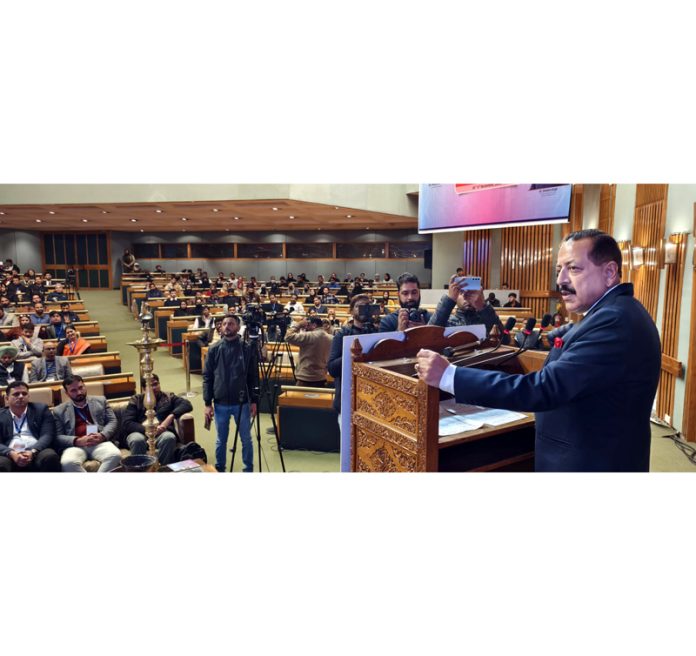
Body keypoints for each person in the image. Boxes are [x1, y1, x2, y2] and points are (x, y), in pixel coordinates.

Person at [415, 229, 662, 472]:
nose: (561, 281)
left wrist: (449, 376)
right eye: (559, 270)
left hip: (591, 462)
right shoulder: (613, 313)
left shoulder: (613, 321)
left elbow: (545, 388)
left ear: (609, 272)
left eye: (574, 269)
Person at [203, 314, 259, 472]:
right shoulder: (214, 349)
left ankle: (248, 469)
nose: (226, 326)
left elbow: (252, 376)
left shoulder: (246, 348)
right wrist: (207, 403)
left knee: (246, 439)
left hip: (242, 402)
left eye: (231, 323)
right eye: (224, 323)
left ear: (237, 327)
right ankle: (220, 469)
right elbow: (207, 378)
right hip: (220, 402)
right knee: (221, 440)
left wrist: (254, 400)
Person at [53, 375, 122, 473]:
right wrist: (77, 440)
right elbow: (58, 436)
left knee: (115, 455)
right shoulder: (59, 410)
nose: (79, 392)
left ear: (85, 386)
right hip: (76, 446)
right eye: (73, 390)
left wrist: (102, 435)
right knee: (67, 463)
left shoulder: (101, 401)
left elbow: (112, 421)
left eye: (81, 387)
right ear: (67, 393)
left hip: (99, 442)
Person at [122, 374, 193, 466]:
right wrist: (149, 430)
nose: (154, 388)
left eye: (156, 384)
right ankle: (141, 471)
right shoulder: (136, 400)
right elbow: (127, 423)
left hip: (161, 433)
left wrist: (170, 416)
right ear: (143, 389)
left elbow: (187, 404)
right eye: (150, 386)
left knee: (169, 437)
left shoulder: (168, 397)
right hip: (139, 432)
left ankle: (164, 469)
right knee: (137, 440)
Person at [327, 294, 378, 420]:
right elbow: (332, 368)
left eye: (366, 307)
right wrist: (349, 357)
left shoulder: (377, 334)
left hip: (371, 400)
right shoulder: (342, 335)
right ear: (351, 310)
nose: (363, 309)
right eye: (358, 306)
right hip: (347, 400)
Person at [0, 381, 60, 472]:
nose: (21, 396)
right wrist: (11, 453)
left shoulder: (41, 409)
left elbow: (47, 434)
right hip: (9, 453)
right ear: (7, 398)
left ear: (28, 396)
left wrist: (33, 451)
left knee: (50, 456)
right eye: (16, 394)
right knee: (1, 463)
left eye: (24, 393)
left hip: (36, 450)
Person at [429, 276, 504, 337]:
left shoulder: (487, 317)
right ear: (456, 296)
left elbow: (505, 338)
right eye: (461, 292)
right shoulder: (447, 320)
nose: (466, 296)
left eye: (472, 292)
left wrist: (482, 306)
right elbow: (428, 335)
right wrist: (449, 300)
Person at [285, 316, 333, 387]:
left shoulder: (308, 336)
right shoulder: (331, 338)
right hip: (321, 377)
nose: (306, 328)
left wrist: (298, 325)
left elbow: (288, 337)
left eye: (308, 325)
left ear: (314, 325)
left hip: (305, 379)